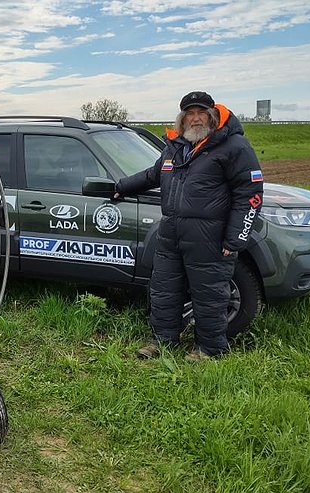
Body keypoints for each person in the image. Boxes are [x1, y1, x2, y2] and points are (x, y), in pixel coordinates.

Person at [114, 91, 263, 361]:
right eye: (190, 114)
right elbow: (152, 175)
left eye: (202, 113)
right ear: (182, 119)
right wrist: (120, 188)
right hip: (171, 233)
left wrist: (236, 239)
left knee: (209, 294)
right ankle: (163, 341)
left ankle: (208, 349)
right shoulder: (176, 147)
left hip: (210, 237)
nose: (196, 119)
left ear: (212, 116)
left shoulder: (234, 147)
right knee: (164, 289)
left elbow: (250, 194)